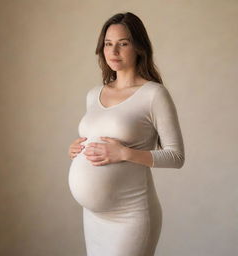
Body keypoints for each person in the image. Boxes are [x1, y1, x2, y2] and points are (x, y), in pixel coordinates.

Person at [68, 12, 185, 256]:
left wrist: (124, 153)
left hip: (131, 215)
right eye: (108, 44)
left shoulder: (154, 94)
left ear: (139, 47)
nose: (114, 51)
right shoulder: (93, 94)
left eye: (123, 43)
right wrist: (77, 149)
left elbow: (176, 157)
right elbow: (98, 137)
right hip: (92, 216)